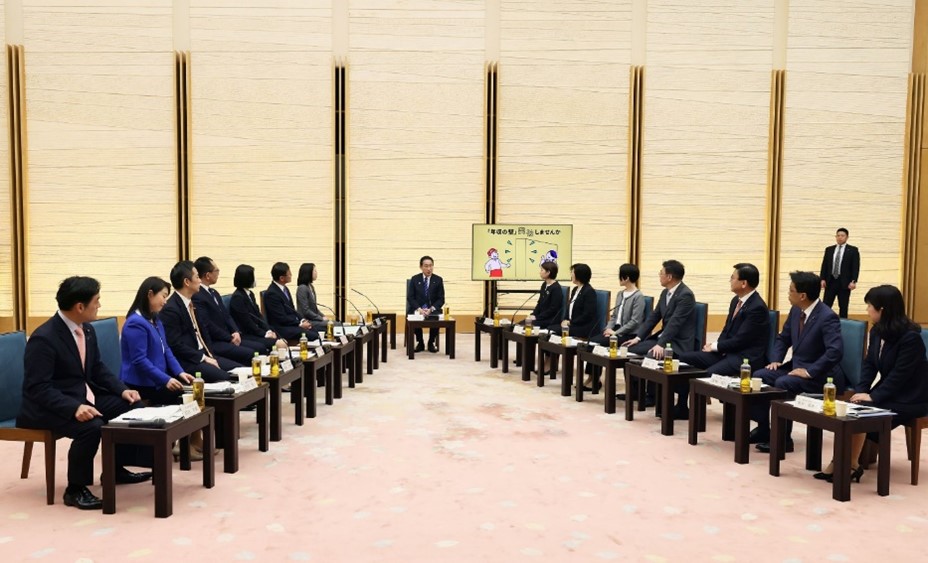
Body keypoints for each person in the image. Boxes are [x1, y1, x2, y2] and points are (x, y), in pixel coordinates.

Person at [17, 276, 152, 510]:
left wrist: (123, 390)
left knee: (134, 408)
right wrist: (74, 408)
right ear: (80, 307)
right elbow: (37, 388)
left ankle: (115, 469)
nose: (99, 305)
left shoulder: (86, 329)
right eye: (96, 301)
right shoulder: (44, 338)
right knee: (91, 426)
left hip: (82, 395)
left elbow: (97, 368)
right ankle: (75, 489)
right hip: (48, 406)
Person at [814, 285, 928, 483]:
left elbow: (900, 376)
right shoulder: (877, 331)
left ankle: (848, 465)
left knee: (864, 411)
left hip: (911, 397)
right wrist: (861, 391)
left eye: (869, 306)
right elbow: (869, 365)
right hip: (890, 391)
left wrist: (874, 396)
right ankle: (845, 462)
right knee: (852, 406)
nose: (867, 310)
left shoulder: (910, 338)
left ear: (882, 309)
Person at [752, 271, 845, 453]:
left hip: (821, 375)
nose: (788, 294)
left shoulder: (827, 317)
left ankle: (783, 439)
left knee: (783, 383)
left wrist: (809, 372)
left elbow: (835, 352)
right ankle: (764, 428)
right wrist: (776, 360)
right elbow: (783, 338)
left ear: (803, 295)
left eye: (791, 290)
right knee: (760, 375)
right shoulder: (796, 310)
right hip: (796, 367)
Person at [676, 263, 771, 418]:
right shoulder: (736, 301)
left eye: (733, 278)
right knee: (685, 358)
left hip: (744, 357)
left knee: (709, 375)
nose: (730, 281)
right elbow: (727, 330)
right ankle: (681, 406)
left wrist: (717, 347)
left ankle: (699, 417)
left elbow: (742, 340)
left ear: (744, 283)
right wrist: (716, 347)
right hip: (728, 352)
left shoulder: (757, 307)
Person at [621, 260, 696, 407]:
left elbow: (675, 323)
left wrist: (661, 344)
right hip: (664, 338)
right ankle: (636, 392)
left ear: (669, 277)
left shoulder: (685, 295)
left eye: (661, 273)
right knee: (628, 350)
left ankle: (653, 396)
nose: (659, 276)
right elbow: (654, 317)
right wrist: (638, 337)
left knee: (652, 355)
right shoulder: (665, 292)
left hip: (678, 342)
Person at [119, 277, 194, 406]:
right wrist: (166, 379)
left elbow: (166, 349)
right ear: (150, 294)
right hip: (140, 383)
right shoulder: (135, 323)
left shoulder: (155, 319)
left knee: (188, 392)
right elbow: (139, 360)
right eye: (163, 296)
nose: (165, 301)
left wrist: (179, 372)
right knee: (180, 396)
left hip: (156, 379)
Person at [161, 261, 239, 382]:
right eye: (197, 277)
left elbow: (203, 332)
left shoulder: (191, 303)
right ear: (187, 282)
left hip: (204, 354)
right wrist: (203, 358)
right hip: (189, 361)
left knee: (240, 370)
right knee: (226, 378)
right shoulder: (171, 309)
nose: (199, 281)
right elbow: (176, 345)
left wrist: (210, 355)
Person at [192, 256, 263, 362]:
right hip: (216, 341)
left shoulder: (214, 293)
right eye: (216, 270)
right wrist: (229, 338)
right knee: (251, 353)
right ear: (207, 275)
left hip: (230, 336)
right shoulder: (197, 296)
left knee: (260, 348)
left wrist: (235, 331)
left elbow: (226, 316)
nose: (218, 273)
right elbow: (207, 324)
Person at [585, 263, 646, 380]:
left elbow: (635, 321)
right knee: (592, 342)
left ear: (626, 278)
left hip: (628, 334)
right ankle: (592, 377)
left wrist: (615, 333)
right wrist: (608, 329)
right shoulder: (620, 294)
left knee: (598, 343)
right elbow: (614, 316)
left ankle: (593, 379)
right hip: (615, 330)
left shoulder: (638, 296)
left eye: (620, 275)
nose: (619, 278)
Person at [229, 264, 281, 352]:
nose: (255, 279)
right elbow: (247, 322)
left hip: (255, 331)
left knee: (280, 338)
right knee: (278, 344)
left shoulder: (250, 294)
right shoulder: (237, 298)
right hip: (246, 334)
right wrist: (264, 334)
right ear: (246, 278)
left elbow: (258, 316)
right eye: (253, 277)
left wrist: (268, 330)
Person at [265, 262, 319, 341]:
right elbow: (281, 318)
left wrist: (302, 320)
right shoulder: (272, 294)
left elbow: (292, 310)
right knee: (311, 335)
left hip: (291, 323)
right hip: (281, 327)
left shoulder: (285, 289)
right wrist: (299, 323)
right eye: (289, 274)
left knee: (314, 330)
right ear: (281, 278)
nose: (291, 275)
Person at [406, 255, 445, 353]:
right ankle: (420, 342)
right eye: (426, 266)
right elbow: (410, 297)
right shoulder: (415, 279)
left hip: (432, 308)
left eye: (431, 266)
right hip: (418, 308)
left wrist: (431, 309)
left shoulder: (438, 280)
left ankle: (431, 342)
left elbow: (441, 299)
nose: (429, 269)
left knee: (437, 315)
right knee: (413, 315)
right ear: (421, 267)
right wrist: (419, 309)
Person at [819, 227, 860, 319]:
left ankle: (843, 325)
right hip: (830, 281)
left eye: (842, 235)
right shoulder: (829, 249)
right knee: (826, 305)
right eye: (838, 235)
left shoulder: (853, 250)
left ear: (847, 237)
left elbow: (855, 267)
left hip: (844, 283)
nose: (840, 237)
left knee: (843, 306)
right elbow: (824, 265)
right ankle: (823, 323)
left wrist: (853, 281)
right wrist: (822, 279)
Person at [524, 261, 562, 329]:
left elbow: (553, 309)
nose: (540, 272)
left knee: (527, 325)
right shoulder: (544, 284)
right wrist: (533, 314)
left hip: (550, 320)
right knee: (520, 324)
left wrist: (537, 317)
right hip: (541, 317)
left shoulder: (556, 288)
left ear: (548, 272)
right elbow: (539, 303)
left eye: (542, 270)